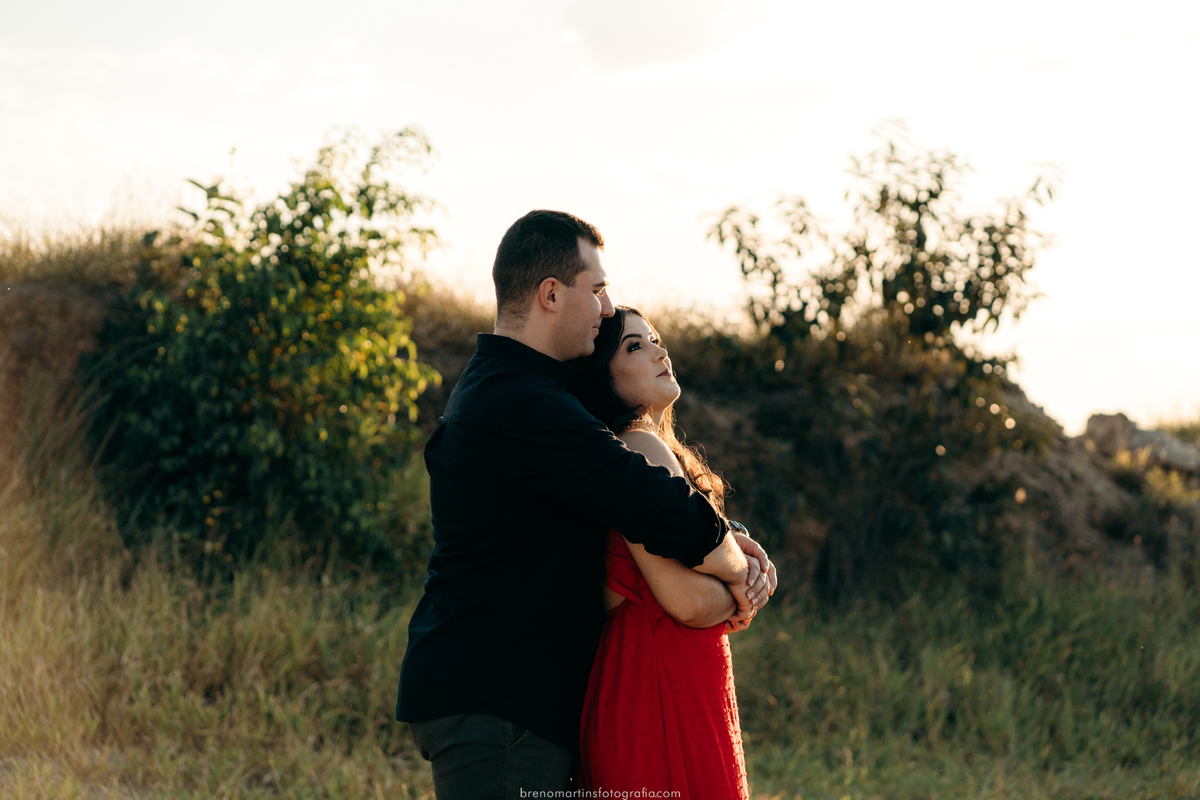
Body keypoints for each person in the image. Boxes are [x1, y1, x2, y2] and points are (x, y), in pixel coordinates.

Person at [395, 210, 777, 799]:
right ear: (551, 294)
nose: (605, 307)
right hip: (499, 700)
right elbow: (649, 496)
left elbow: (640, 496)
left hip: (518, 701)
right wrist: (742, 570)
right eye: (596, 289)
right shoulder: (518, 401)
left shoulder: (523, 390)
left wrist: (732, 536)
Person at [571, 306, 757, 799]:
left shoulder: (655, 449)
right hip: (654, 682)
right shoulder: (638, 447)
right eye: (634, 346)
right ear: (604, 379)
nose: (659, 350)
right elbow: (687, 603)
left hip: (658, 678)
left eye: (655, 339)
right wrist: (744, 594)